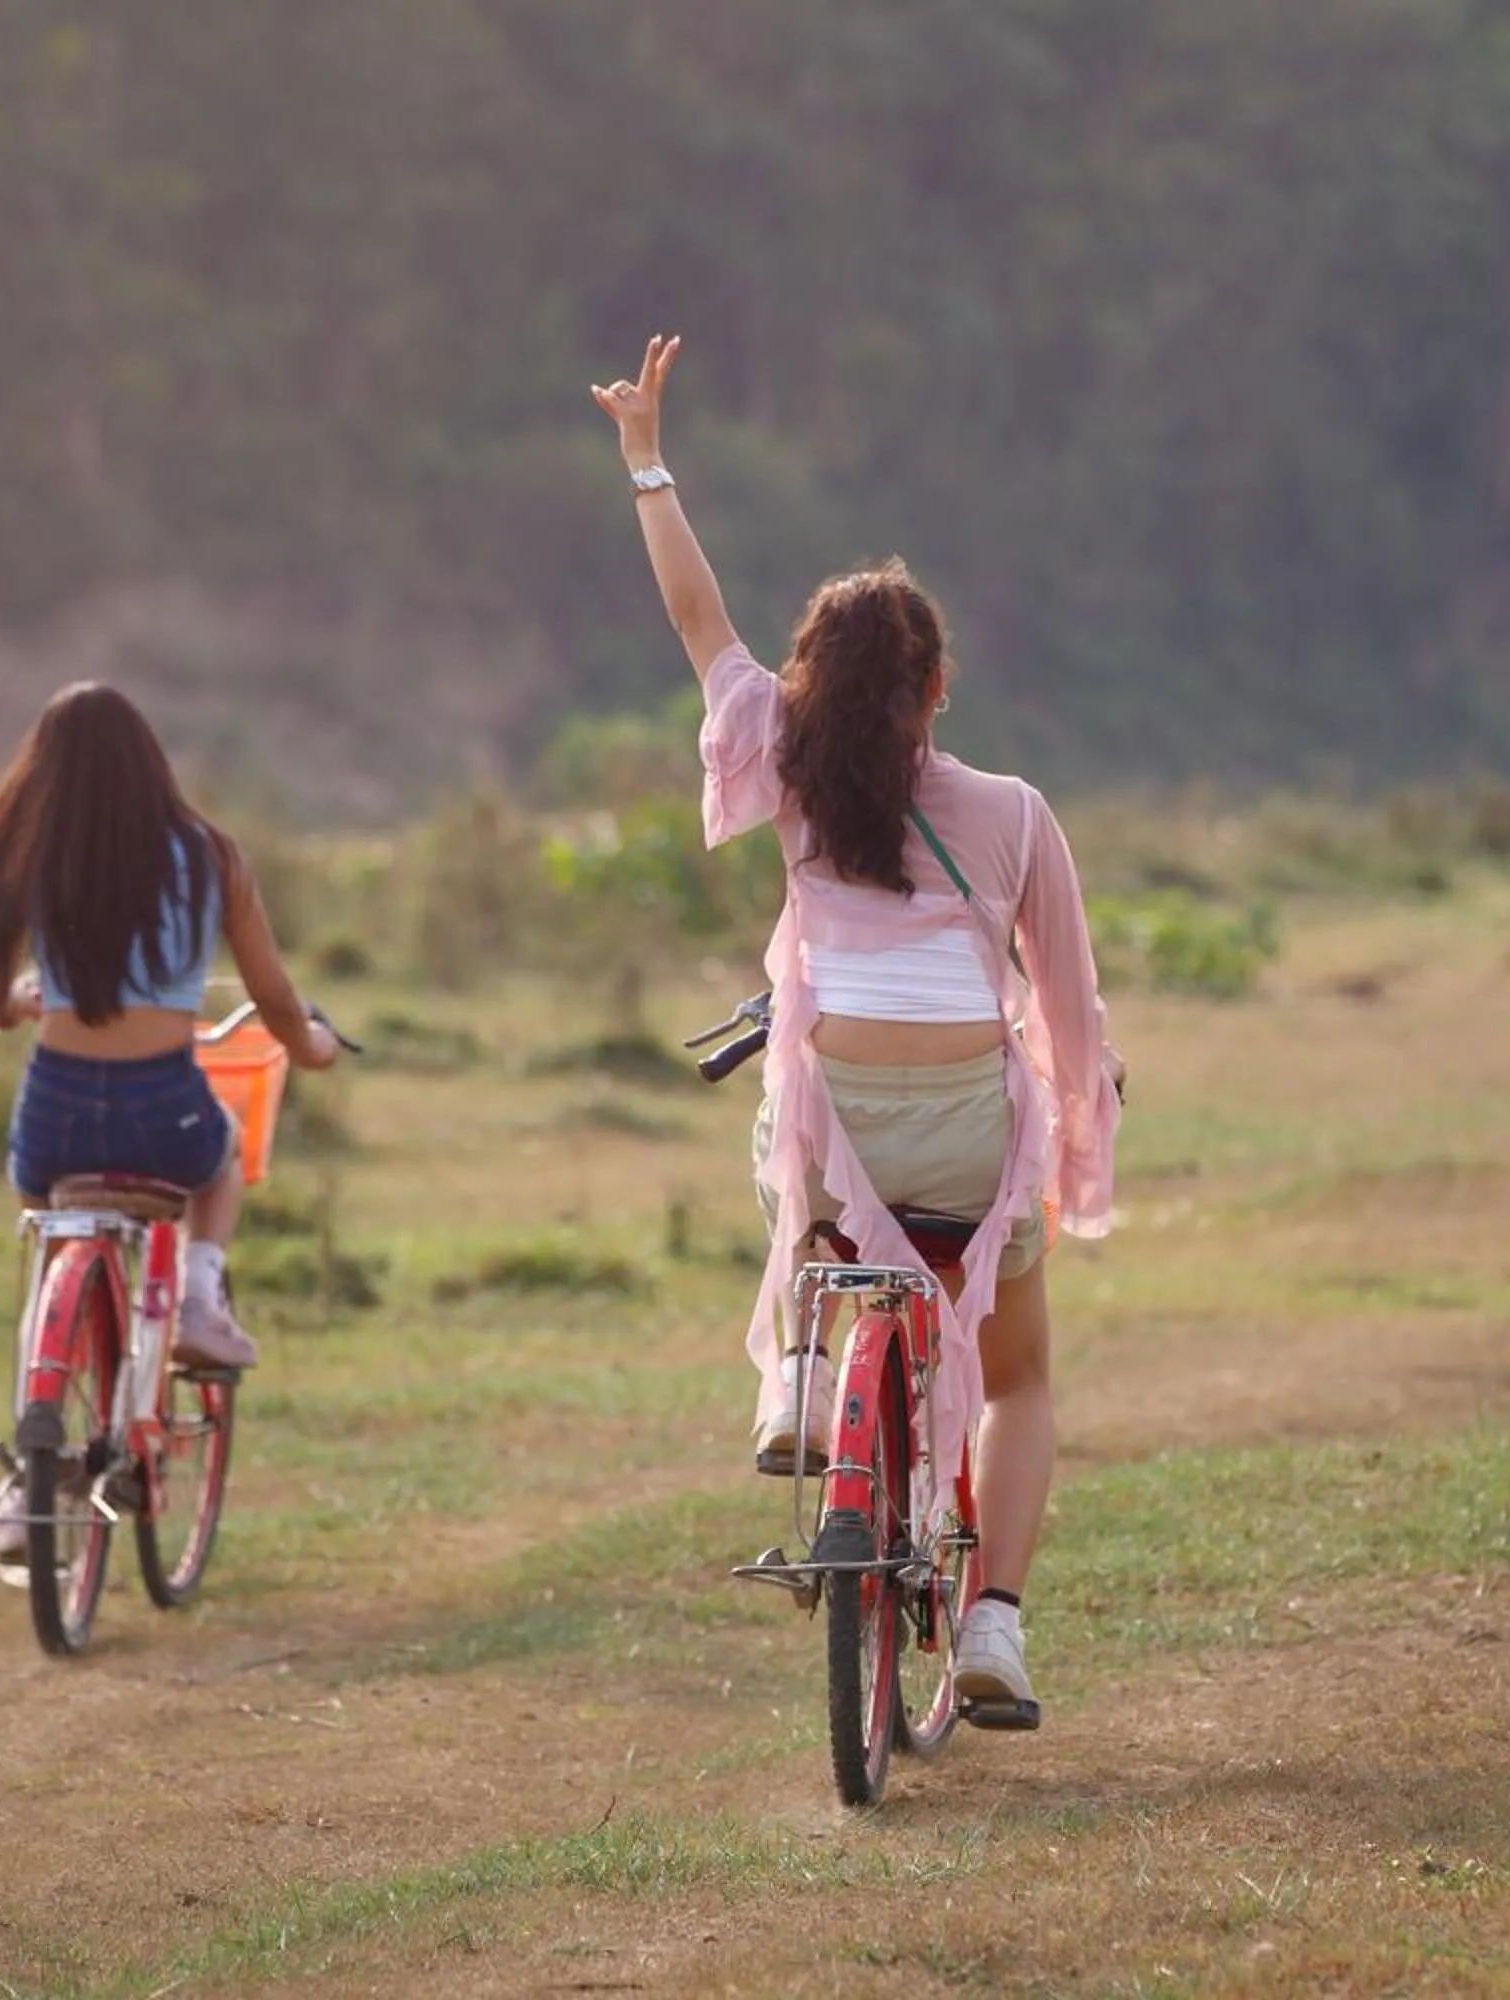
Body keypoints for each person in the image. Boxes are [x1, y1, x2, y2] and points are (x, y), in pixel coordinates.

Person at [590, 336, 1123, 1721]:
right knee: (1019, 1374)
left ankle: (803, 1384)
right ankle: (995, 1625)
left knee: (791, 1149)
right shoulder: (1012, 812)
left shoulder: (781, 758)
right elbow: (1064, 1005)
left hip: (838, 1143)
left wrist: (649, 458)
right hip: (962, 1144)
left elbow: (700, 621)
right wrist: (1086, 1086)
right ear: (937, 691)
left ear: (811, 682)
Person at [0, 681, 340, 1557]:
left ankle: (40, 1422)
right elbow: (273, 997)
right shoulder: (209, 856)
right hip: (162, 1110)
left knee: (50, 1236)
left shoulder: (36, 855)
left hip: (55, 1119)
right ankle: (196, 1293)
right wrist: (314, 1047)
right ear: (152, 763)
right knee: (218, 1159)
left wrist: (40, 997)